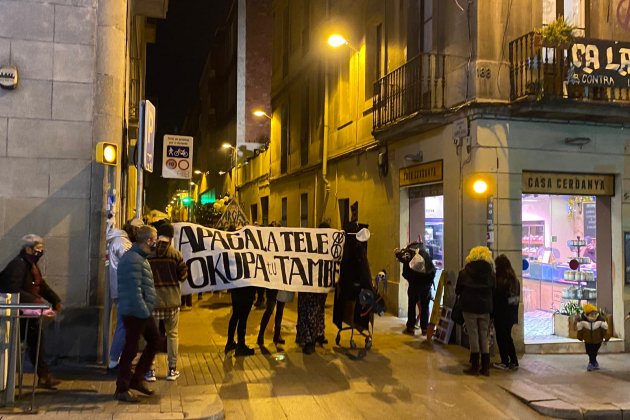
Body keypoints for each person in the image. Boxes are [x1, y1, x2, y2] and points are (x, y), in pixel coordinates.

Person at [0, 234, 62, 388]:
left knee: (36, 341)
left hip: (28, 312)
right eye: (37, 248)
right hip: (17, 314)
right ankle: (42, 375)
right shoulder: (18, 265)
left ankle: (44, 375)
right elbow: (12, 290)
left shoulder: (31, 265)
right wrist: (35, 303)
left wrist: (54, 299)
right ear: (28, 248)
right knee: (34, 341)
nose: (40, 252)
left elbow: (40, 285)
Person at [114, 225, 160, 403]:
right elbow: (134, 290)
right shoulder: (133, 259)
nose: (156, 241)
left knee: (155, 340)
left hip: (140, 310)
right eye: (154, 238)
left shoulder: (139, 258)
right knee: (130, 349)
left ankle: (136, 379)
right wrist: (145, 309)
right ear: (148, 240)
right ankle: (122, 388)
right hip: (135, 311)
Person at [146, 222, 188, 382]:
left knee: (151, 337)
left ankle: (150, 370)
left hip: (152, 301)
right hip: (171, 302)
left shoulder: (148, 254)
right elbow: (183, 276)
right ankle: (172, 370)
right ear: (171, 237)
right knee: (172, 335)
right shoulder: (176, 255)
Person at [456, 246, 495, 376]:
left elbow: (458, 290)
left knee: (473, 335)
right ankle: (485, 367)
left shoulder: (465, 272)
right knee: (484, 335)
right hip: (485, 308)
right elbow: (494, 290)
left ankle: (474, 365)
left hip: (469, 307)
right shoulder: (490, 273)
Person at [296, 221, 331, 354]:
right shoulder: (311, 245)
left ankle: (318, 334)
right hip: (309, 286)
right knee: (309, 313)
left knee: (318, 311)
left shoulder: (327, 247)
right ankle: (309, 340)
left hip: (320, 287)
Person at [106, 220, 134, 369]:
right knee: (123, 325)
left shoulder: (119, 241)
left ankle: (117, 357)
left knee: (124, 324)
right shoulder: (122, 243)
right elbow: (131, 263)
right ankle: (114, 360)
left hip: (120, 288)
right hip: (124, 289)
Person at [225, 225, 256, 357]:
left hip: (236, 289)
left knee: (236, 315)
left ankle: (230, 342)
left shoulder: (232, 251)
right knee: (242, 317)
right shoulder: (250, 251)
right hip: (246, 289)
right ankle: (241, 346)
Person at [401, 243, 436, 336]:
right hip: (425, 287)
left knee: (411, 306)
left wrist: (411, 280)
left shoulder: (408, 255)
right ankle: (424, 329)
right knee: (425, 307)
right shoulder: (426, 255)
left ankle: (410, 328)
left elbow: (405, 273)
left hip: (413, 286)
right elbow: (433, 270)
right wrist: (428, 282)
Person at [492, 254, 520, 370]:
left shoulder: (500, 280)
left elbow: (497, 298)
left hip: (501, 314)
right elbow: (515, 299)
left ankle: (505, 361)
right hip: (512, 313)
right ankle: (514, 360)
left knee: (502, 337)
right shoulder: (514, 279)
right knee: (508, 337)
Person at [577, 304, 608, 371]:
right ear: (587, 314)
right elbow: (580, 330)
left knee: (594, 351)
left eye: (594, 313)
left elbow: (605, 330)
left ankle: (591, 363)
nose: (593, 315)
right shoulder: (582, 320)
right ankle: (594, 363)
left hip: (598, 340)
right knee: (589, 351)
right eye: (591, 313)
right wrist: (579, 337)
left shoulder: (601, 320)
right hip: (588, 340)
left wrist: (606, 337)